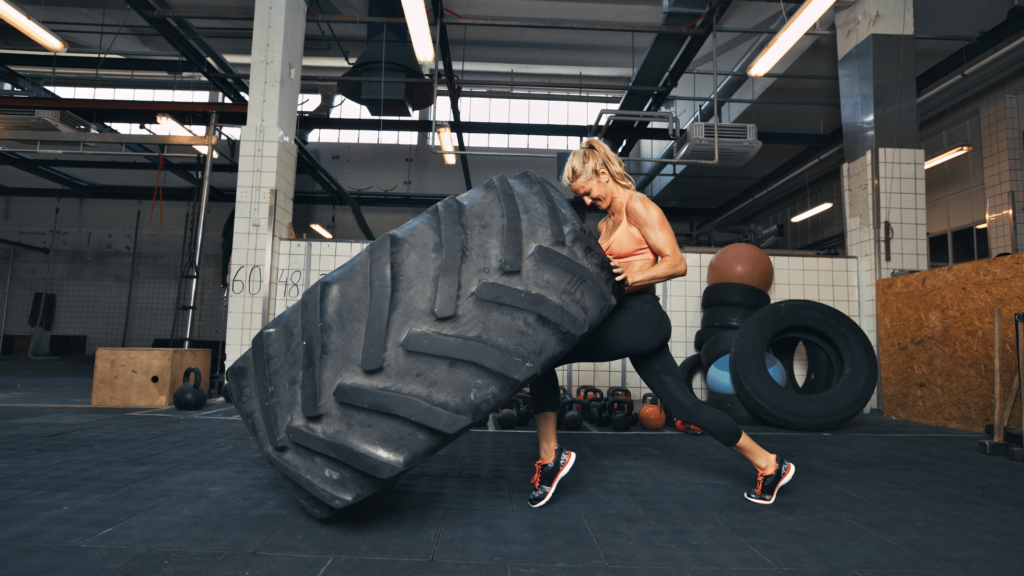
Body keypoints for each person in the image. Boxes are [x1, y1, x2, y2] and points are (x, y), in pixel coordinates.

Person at [526, 138, 794, 508]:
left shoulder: (638, 206)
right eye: (581, 197)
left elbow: (676, 262)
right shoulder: (605, 225)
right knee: (686, 408)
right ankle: (770, 464)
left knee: (541, 355)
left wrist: (629, 279)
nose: (587, 202)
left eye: (588, 192)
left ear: (603, 175)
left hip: (641, 317)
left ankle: (549, 456)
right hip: (625, 320)